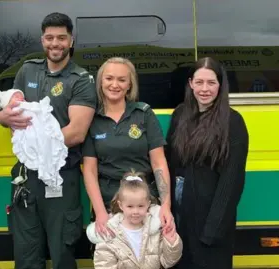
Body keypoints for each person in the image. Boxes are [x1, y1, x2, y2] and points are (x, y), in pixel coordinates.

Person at [0, 12, 97, 269]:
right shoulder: (27, 70)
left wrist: (36, 143)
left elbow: (75, 133)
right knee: (26, 253)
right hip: (26, 177)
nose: (55, 43)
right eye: (49, 37)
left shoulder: (81, 80)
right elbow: (12, 113)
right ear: (42, 40)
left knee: (62, 252)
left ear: (71, 41)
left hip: (61, 177)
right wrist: (1, 117)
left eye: (61, 38)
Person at [165, 57, 249, 269]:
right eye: (199, 82)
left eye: (211, 82)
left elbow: (232, 182)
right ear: (191, 83)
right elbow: (168, 163)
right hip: (178, 220)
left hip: (210, 228)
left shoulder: (233, 122)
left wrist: (212, 232)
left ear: (220, 85)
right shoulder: (180, 115)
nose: (205, 89)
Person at [81, 57, 174, 247]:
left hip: (144, 205)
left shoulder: (144, 114)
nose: (114, 84)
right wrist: (100, 213)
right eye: (109, 78)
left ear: (130, 84)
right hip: (109, 206)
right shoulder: (92, 118)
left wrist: (165, 206)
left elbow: (158, 163)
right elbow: (90, 171)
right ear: (100, 82)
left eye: (122, 80)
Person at [87, 171, 182, 269]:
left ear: (148, 204)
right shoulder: (110, 232)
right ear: (121, 205)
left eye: (140, 206)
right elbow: (104, 265)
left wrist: (171, 243)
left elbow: (168, 261)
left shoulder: (156, 229)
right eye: (130, 206)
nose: (135, 211)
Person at [0, 88, 67, 188]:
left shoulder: (28, 105)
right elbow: (9, 118)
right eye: (15, 97)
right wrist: (0, 117)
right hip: (29, 139)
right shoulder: (16, 107)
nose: (19, 98)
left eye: (20, 96)